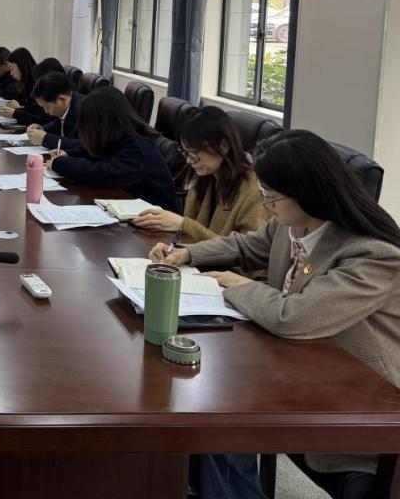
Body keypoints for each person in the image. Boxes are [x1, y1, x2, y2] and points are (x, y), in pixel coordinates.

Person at [149, 129, 400, 497]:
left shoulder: (372, 255)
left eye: (271, 195)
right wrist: (187, 254)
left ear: (309, 192)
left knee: (220, 421)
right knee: (206, 408)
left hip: (363, 403)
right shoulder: (294, 224)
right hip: (299, 368)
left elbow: (294, 317)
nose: (265, 203)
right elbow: (247, 246)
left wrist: (237, 286)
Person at [133, 107, 267, 240]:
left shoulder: (253, 191)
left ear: (223, 146)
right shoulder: (207, 178)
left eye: (194, 153)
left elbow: (246, 250)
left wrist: (184, 225)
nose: (189, 160)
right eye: (186, 152)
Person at [49, 86, 177, 210]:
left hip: (158, 218)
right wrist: (69, 154)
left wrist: (61, 163)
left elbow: (104, 173)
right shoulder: (119, 137)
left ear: (102, 123)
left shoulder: (137, 146)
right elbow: (97, 152)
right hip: (129, 207)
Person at [26, 71, 81, 149]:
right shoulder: (65, 107)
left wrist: (45, 138)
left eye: (47, 107)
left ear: (62, 100)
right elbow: (59, 126)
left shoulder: (85, 111)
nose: (46, 111)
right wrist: (42, 129)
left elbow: (83, 147)